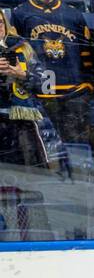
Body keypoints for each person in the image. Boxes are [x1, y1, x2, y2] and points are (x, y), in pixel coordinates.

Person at [11, 0, 94, 144]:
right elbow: (18, 53)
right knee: (45, 150)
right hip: (40, 94)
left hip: (74, 94)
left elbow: (87, 53)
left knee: (77, 148)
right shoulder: (20, 14)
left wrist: (88, 86)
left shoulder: (73, 13)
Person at [0, 11, 59, 168]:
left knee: (30, 172)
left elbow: (47, 84)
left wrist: (23, 75)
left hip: (23, 123)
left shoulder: (22, 47)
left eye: (0, 22)